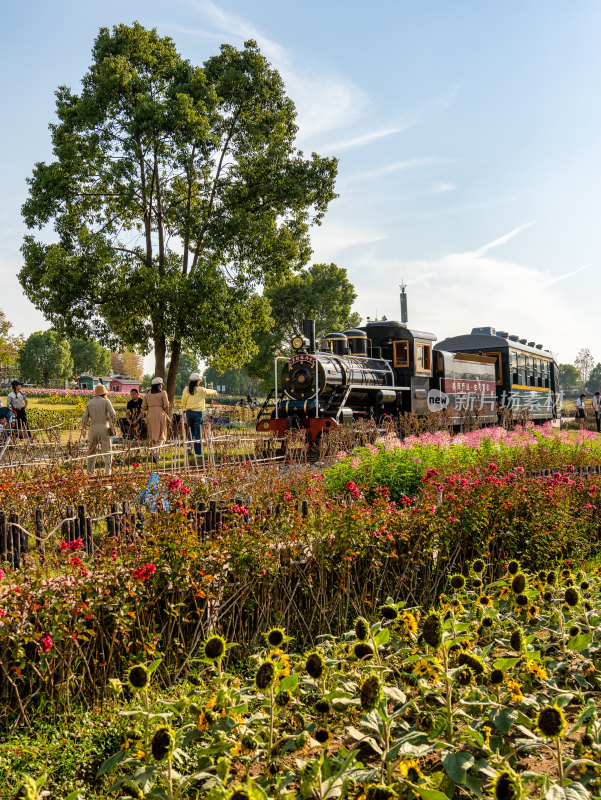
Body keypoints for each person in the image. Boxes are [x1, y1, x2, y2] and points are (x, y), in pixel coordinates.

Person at [81, 383, 116, 477]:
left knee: (92, 451)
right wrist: (111, 421)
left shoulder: (89, 403)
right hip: (104, 427)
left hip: (93, 429)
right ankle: (108, 472)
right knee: (107, 451)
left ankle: (89, 472)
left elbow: (84, 418)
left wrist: (83, 428)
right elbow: (113, 414)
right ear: (104, 393)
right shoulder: (106, 401)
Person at [181, 373, 218, 457]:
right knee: (198, 432)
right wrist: (215, 393)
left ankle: (189, 446)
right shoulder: (201, 390)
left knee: (191, 430)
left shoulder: (186, 389)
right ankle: (197, 453)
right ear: (198, 381)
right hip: (198, 413)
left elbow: (183, 401)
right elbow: (211, 391)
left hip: (189, 412)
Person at [142, 377, 170, 460]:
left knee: (153, 434)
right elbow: (166, 405)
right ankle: (156, 453)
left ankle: (154, 452)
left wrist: (151, 408)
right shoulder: (163, 393)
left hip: (150, 415)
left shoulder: (147, 394)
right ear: (160, 385)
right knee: (161, 434)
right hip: (160, 414)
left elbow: (143, 406)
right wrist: (162, 410)